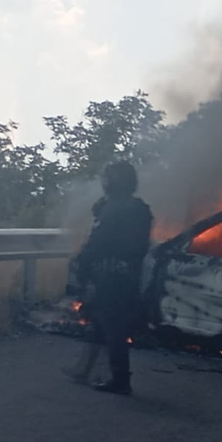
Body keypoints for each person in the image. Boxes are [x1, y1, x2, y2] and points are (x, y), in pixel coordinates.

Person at [70, 161, 153, 395]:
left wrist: (82, 263)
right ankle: (86, 369)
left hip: (110, 275)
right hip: (129, 275)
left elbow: (99, 242)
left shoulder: (114, 208)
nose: (103, 182)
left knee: (113, 326)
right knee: (101, 320)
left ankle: (120, 380)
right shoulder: (140, 208)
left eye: (106, 178)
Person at [62, 197, 109, 385]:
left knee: (100, 328)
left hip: (101, 285)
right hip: (110, 284)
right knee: (100, 328)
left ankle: (96, 372)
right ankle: (87, 370)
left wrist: (85, 281)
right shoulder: (127, 229)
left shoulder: (105, 230)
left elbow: (89, 255)